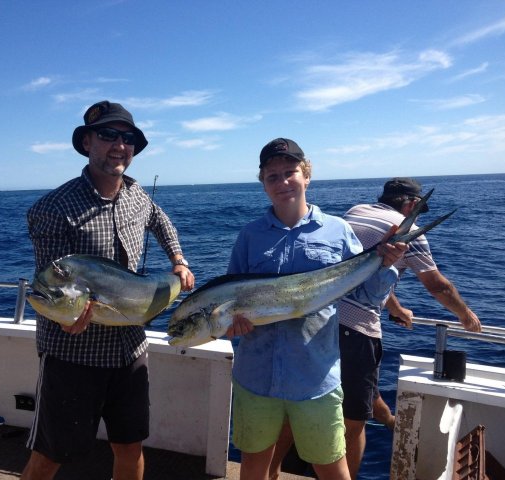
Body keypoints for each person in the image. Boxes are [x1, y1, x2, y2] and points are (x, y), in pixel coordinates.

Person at [21, 101, 195, 480]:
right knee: (51, 454)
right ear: (87, 142)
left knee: (130, 447)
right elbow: (50, 288)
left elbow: (161, 223)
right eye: (108, 135)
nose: (119, 145)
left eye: (128, 138)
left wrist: (178, 260)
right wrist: (67, 321)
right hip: (72, 355)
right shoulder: (53, 208)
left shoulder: (137, 196)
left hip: (130, 349)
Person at [269, 177, 483, 480]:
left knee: (301, 404)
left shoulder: (356, 212)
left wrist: (394, 308)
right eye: (420, 209)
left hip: (317, 321)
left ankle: (273, 472)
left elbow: (367, 266)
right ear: (410, 205)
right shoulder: (405, 231)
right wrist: (466, 315)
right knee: (354, 422)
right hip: (354, 330)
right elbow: (437, 285)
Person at [226, 138, 408, 480]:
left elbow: (368, 295)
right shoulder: (250, 236)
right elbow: (231, 299)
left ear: (306, 175)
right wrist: (230, 326)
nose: (283, 182)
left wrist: (386, 264)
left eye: (290, 172)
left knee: (331, 467)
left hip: (315, 379)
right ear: (263, 184)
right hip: (255, 376)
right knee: (253, 466)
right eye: (272, 176)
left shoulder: (338, 231)